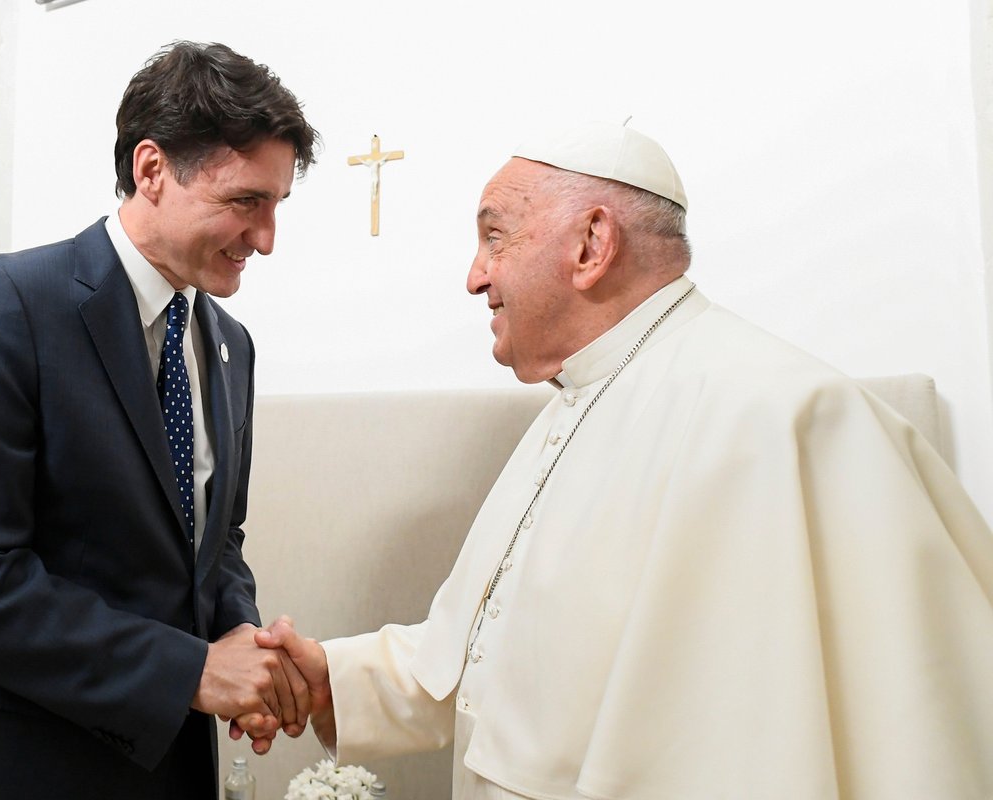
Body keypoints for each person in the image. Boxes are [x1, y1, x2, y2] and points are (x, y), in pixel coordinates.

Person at [257, 122, 993, 798]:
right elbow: (495, 649)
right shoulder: (576, 405)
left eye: (495, 238)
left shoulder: (775, 416)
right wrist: (334, 680)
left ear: (590, 245)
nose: (476, 276)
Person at [0, 41, 318, 800]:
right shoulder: (5, 304)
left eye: (277, 204)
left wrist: (240, 639)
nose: (267, 238)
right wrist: (191, 671)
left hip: (165, 768)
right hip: (8, 767)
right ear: (152, 169)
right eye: (246, 201)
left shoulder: (230, 348)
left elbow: (215, 547)